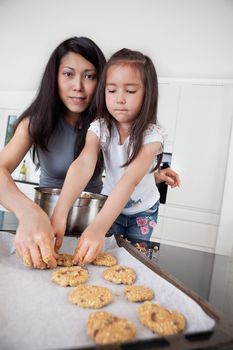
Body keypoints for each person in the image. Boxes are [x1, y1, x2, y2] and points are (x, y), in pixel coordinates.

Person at [0, 38, 180, 269]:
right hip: (49, 222)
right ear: (54, 77)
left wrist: (151, 176)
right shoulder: (41, 123)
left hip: (98, 217)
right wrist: (31, 213)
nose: (78, 86)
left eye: (90, 76)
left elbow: (128, 175)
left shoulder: (112, 122)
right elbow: (84, 163)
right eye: (68, 74)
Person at [51, 48, 169, 265]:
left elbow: (131, 178)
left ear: (147, 94)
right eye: (111, 90)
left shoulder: (152, 135)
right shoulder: (100, 128)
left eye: (131, 91)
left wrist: (97, 227)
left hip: (143, 211)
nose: (119, 99)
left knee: (134, 262)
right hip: (109, 205)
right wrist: (60, 210)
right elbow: (84, 163)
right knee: (102, 258)